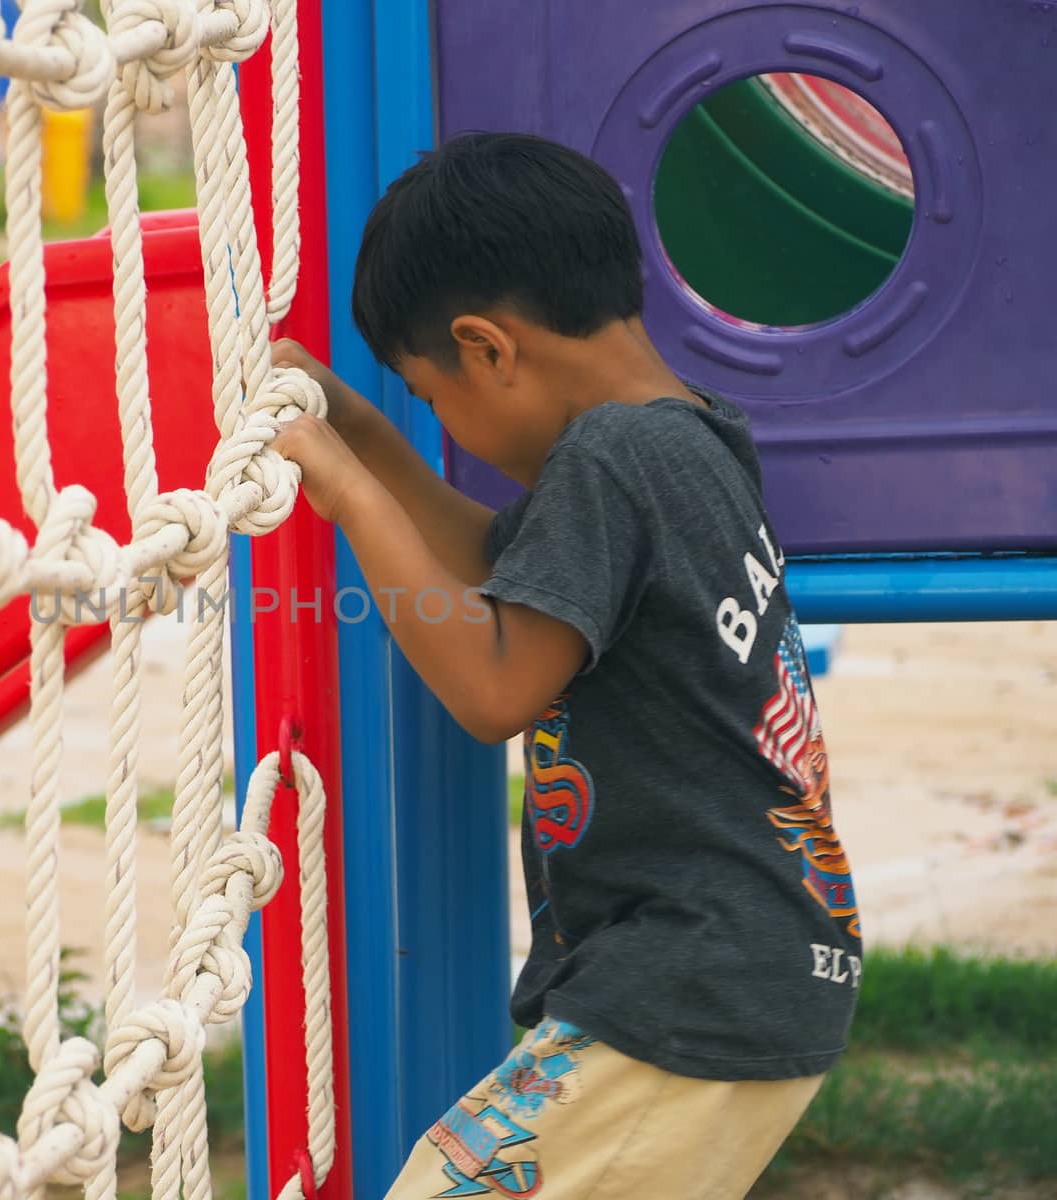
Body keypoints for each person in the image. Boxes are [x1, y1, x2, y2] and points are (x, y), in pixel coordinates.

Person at [270, 132, 862, 1199]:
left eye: (429, 396)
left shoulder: (609, 459)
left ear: (488, 349)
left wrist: (346, 494)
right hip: (737, 962)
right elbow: (494, 561)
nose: (440, 424)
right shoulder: (684, 439)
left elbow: (495, 690)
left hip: (687, 981)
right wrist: (353, 428)